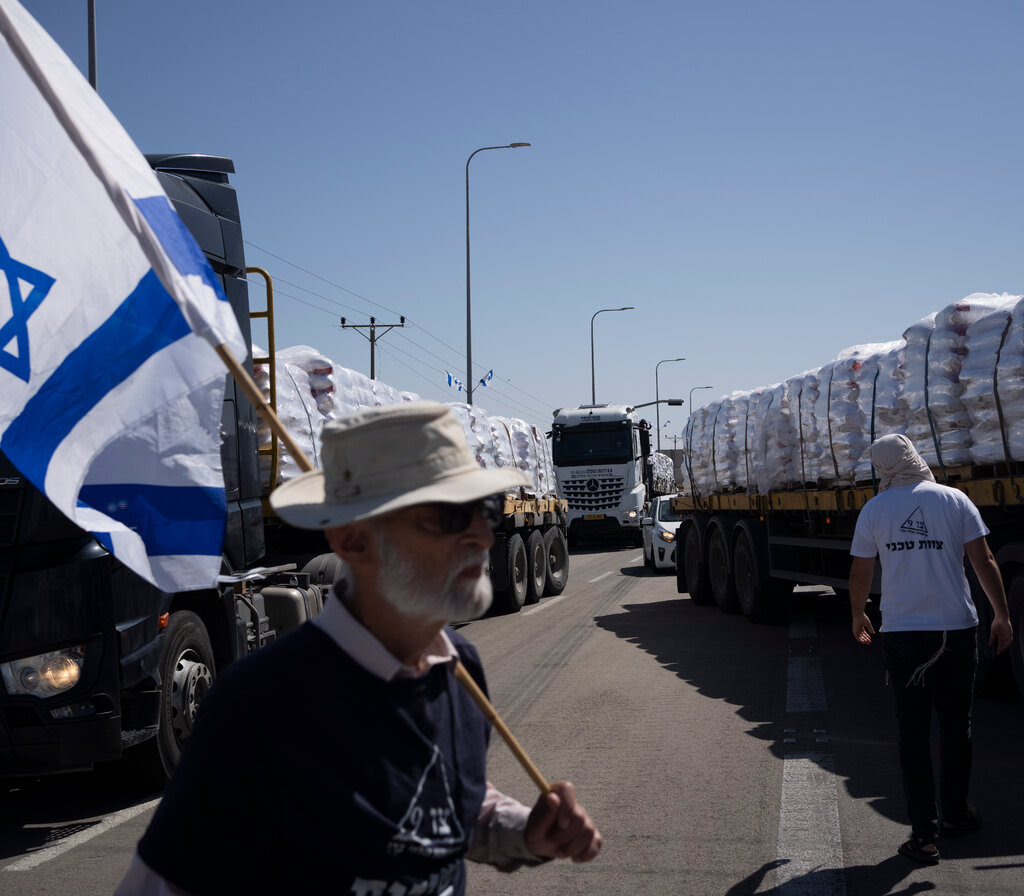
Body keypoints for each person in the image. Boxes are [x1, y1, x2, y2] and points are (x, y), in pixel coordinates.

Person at [116, 400, 602, 895]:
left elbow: (446, 806)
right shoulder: (259, 708)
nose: (481, 534)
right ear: (352, 540)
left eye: (484, 509)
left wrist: (524, 832)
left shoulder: (459, 669)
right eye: (447, 516)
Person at [848, 433, 1012, 866]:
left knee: (913, 735)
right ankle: (956, 814)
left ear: (882, 469)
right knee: (958, 727)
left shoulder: (875, 510)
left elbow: (861, 571)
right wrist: (1002, 615)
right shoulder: (954, 500)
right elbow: (984, 560)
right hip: (956, 630)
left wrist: (858, 614)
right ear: (914, 457)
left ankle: (924, 836)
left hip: (904, 635)